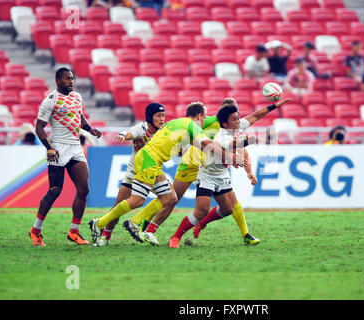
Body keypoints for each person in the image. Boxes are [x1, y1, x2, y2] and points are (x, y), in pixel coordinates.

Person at [125, 98, 291, 246]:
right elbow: (187, 130)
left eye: (236, 114)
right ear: (222, 117)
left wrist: (274, 106)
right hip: (191, 163)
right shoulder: (209, 122)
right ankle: (147, 225)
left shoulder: (237, 126)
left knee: (231, 204)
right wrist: (180, 148)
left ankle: (244, 233)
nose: (236, 118)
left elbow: (255, 116)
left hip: (213, 170)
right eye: (231, 114)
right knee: (172, 198)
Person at [88, 103, 246, 245]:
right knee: (136, 200)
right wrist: (230, 157)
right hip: (149, 160)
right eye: (204, 117)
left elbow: (189, 145)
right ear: (199, 116)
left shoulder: (177, 123)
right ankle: (100, 223)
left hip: (151, 160)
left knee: (170, 197)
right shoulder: (192, 125)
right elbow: (207, 143)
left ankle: (134, 222)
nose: (205, 120)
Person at [29, 67, 102, 247]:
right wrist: (49, 148)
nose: (71, 82)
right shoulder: (50, 101)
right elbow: (39, 128)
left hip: (75, 147)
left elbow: (80, 117)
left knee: (84, 189)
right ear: (58, 81)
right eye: (67, 79)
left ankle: (74, 232)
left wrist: (90, 129)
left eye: (72, 79)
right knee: (55, 190)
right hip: (58, 147)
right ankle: (35, 230)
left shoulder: (77, 97)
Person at [94, 103, 166, 246]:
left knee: (170, 198)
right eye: (158, 116)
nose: (162, 119)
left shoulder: (163, 131)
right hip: (134, 173)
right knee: (118, 207)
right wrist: (123, 135)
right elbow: (130, 132)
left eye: (163, 115)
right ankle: (105, 236)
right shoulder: (142, 128)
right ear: (150, 117)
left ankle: (147, 230)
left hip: (153, 172)